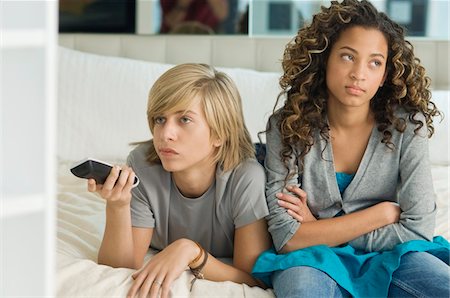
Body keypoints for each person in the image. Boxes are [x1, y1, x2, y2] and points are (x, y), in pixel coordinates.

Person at [252, 0, 450, 297]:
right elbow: (288, 238)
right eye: (347, 56)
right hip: (309, 261)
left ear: (385, 75)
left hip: (395, 257)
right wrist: (380, 214)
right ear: (325, 58)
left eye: (375, 62)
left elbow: (417, 230)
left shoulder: (408, 126)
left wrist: (319, 229)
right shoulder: (286, 125)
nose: (359, 74)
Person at [88, 63, 271, 297]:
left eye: (184, 119)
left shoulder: (246, 178)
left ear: (219, 133)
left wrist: (191, 252)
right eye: (160, 119)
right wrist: (117, 206)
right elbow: (119, 267)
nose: (165, 134)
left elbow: (254, 280)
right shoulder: (143, 165)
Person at [159, 0, 228, 34]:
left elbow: (222, 14)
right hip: (176, 36)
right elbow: (170, 22)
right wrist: (183, 3)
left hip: (207, 37)